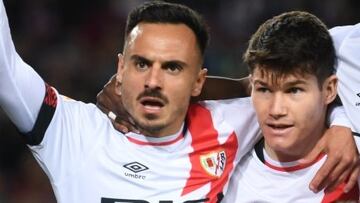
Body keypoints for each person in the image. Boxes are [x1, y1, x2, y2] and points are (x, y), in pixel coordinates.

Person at [0, 1, 357, 203]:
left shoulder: (232, 123)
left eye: (173, 68)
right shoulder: (72, 130)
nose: (153, 81)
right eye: (141, 64)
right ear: (120, 67)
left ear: (198, 80)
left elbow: (299, 69)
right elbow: (7, 69)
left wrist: (342, 121)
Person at [221, 11, 359, 202]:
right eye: (264, 90)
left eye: (294, 90)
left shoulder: (352, 173)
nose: (276, 110)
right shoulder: (219, 161)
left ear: (329, 90)